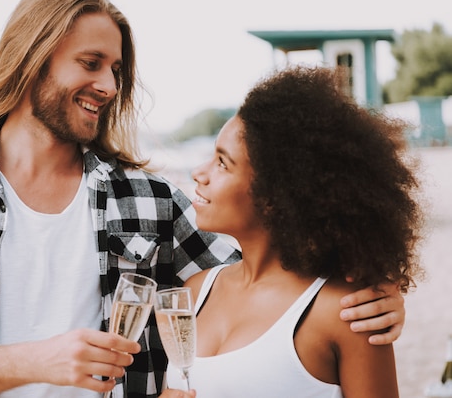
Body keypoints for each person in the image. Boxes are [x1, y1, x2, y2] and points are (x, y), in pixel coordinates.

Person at [0, 0, 407, 397]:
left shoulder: (150, 202)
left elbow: (269, 271)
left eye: (116, 69)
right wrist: (27, 362)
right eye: (91, 64)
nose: (110, 87)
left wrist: (372, 293)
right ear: (31, 61)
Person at [161, 66, 423, 398]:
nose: (199, 172)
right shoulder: (195, 292)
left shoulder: (347, 313)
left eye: (223, 162)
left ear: (275, 196)